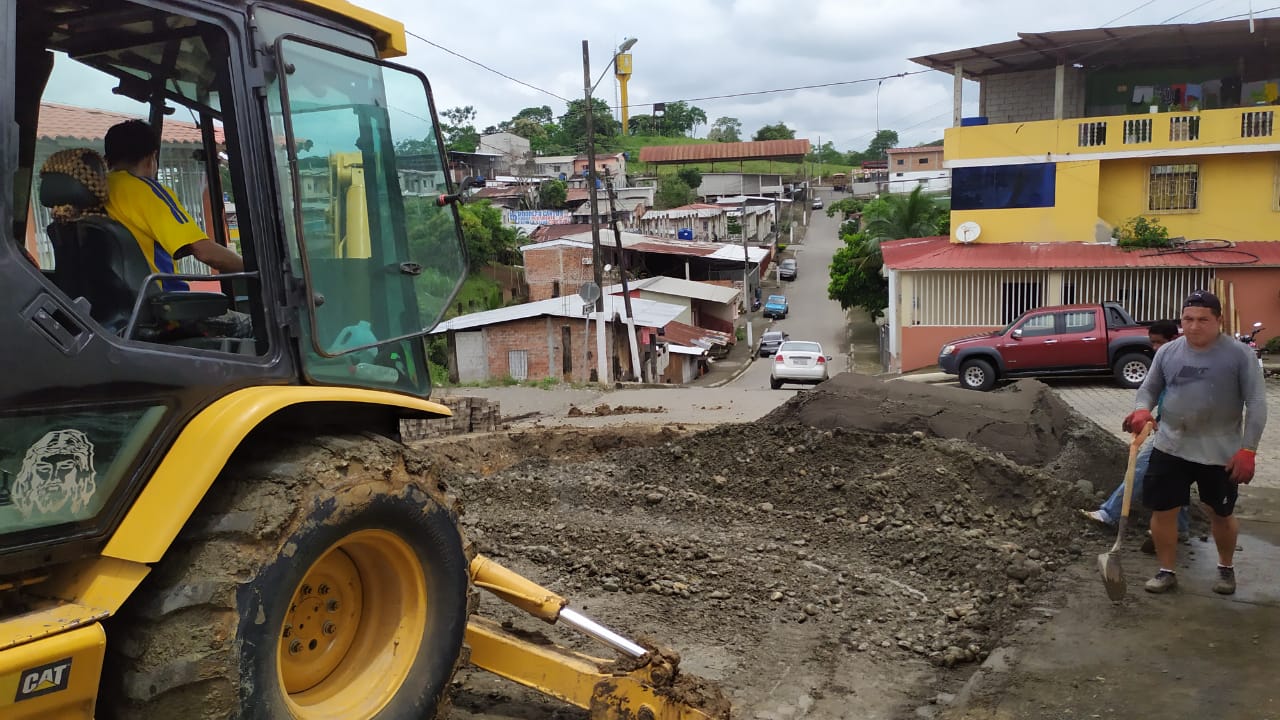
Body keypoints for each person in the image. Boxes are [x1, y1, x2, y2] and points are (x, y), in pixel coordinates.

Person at [1125, 290, 1267, 595]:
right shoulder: (1168, 352)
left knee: (1221, 513)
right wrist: (1141, 410)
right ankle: (1166, 571)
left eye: (1203, 319)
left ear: (1219, 320)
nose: (1193, 326)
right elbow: (1149, 388)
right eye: (1188, 319)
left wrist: (1249, 449)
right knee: (1163, 511)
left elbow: (1256, 404)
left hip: (1219, 450)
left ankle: (1225, 568)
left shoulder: (1240, 356)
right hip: (1171, 444)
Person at [103, 119, 250, 337]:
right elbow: (204, 251)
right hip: (163, 312)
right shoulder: (146, 192)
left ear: (107, 160)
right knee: (255, 326)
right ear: (152, 158)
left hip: (117, 315)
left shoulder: (96, 192)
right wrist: (257, 269)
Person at [1079, 320, 1190, 537]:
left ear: (1174, 340)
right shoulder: (1164, 363)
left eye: (1159, 342)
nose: (1155, 348)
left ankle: (1110, 514)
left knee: (1143, 469)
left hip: (1183, 432)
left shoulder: (1185, 365)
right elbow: (1151, 392)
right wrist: (1141, 413)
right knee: (1177, 478)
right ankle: (1180, 528)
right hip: (1167, 428)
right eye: (1152, 343)